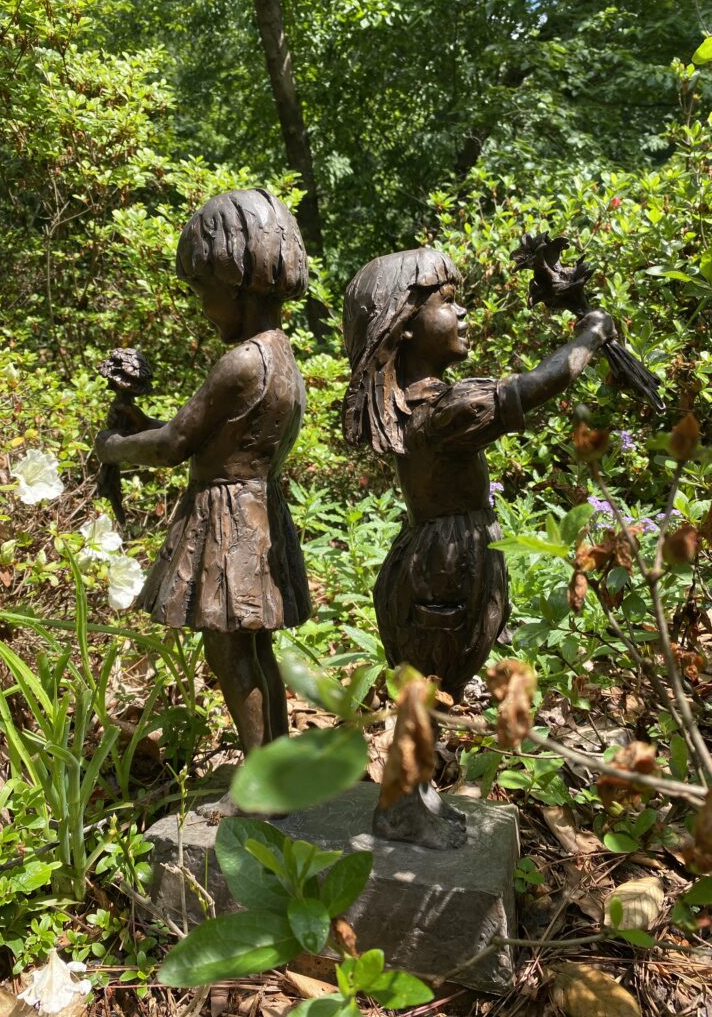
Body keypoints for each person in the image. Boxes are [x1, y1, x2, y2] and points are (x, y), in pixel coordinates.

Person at [343, 246, 615, 702]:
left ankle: (425, 759)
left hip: (445, 557)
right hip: (446, 568)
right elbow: (536, 386)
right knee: (435, 674)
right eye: (447, 300)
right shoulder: (445, 412)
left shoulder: (415, 402)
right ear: (404, 324)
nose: (463, 310)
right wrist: (591, 336)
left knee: (436, 677)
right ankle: (418, 766)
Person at [96, 189, 311, 753]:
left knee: (229, 650)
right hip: (259, 508)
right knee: (254, 647)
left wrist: (114, 446)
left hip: (229, 520)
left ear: (234, 279)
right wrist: (141, 421)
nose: (200, 305)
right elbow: (207, 431)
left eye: (201, 290)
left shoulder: (240, 362)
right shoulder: (280, 353)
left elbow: (172, 446)